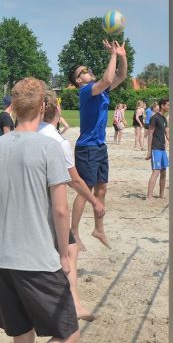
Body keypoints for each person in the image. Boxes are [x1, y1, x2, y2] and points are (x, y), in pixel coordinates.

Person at [0, 77, 79, 343]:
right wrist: (65, 255)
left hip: (3, 260)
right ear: (43, 107)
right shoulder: (49, 147)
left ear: (14, 106)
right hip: (37, 260)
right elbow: (60, 210)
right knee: (69, 334)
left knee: (22, 336)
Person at [39, 90, 105, 321]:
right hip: (48, 208)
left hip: (28, 208)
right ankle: (74, 304)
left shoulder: (30, 133)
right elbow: (74, 180)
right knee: (69, 250)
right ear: (57, 110)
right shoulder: (59, 142)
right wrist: (95, 200)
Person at [67, 39, 127, 250]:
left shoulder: (101, 91)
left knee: (102, 188)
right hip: (87, 148)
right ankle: (73, 232)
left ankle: (98, 229)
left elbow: (120, 76)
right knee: (86, 190)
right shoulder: (86, 91)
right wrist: (112, 54)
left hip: (100, 147)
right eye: (83, 71)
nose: (87, 71)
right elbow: (108, 77)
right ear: (78, 81)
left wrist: (122, 56)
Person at [146, 98, 170, 200]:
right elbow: (150, 134)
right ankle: (149, 196)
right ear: (162, 105)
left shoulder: (164, 119)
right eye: (168, 105)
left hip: (162, 148)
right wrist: (149, 151)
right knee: (156, 171)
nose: (169, 107)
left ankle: (161, 194)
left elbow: (167, 133)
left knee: (164, 171)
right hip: (155, 148)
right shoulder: (154, 118)